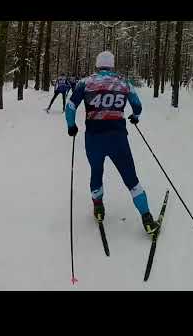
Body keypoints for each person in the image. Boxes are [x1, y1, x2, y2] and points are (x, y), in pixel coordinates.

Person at [64, 51, 160, 236]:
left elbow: (70, 106)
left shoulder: (85, 82)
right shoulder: (123, 82)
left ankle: (98, 208)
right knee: (131, 179)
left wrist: (71, 126)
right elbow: (137, 105)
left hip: (94, 139)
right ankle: (147, 219)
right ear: (112, 65)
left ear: (97, 64)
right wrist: (135, 116)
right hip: (118, 139)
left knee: (96, 172)